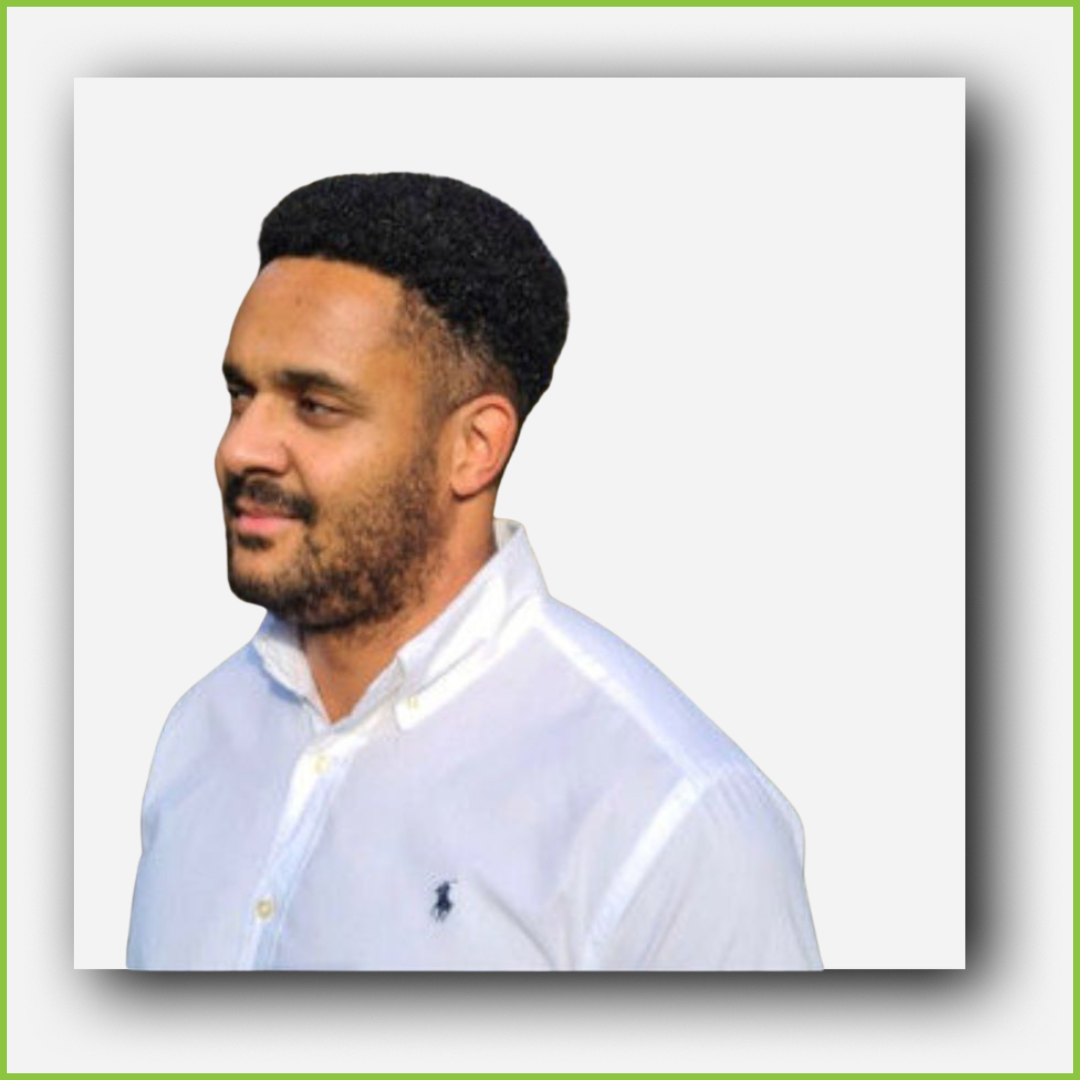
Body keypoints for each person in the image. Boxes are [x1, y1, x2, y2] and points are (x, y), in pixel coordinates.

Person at [127, 172, 822, 971]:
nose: (240, 448)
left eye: (315, 405)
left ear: (475, 447)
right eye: (239, 395)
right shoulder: (202, 733)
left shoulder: (668, 819)